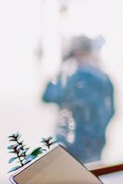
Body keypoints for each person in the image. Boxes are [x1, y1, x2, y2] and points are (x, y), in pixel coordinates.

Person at [42, 35, 114, 164]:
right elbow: (112, 110)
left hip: (72, 141)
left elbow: (48, 96)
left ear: (75, 52)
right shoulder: (103, 77)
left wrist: (60, 66)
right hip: (96, 139)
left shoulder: (72, 80)